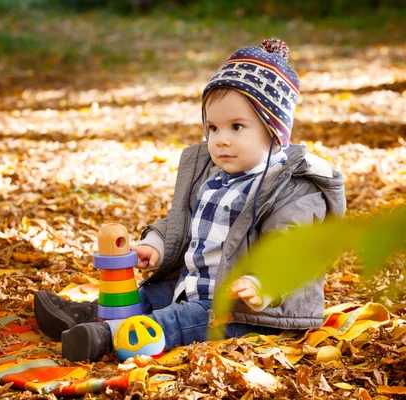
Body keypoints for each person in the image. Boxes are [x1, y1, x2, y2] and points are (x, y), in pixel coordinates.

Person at [34, 38, 346, 362]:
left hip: (247, 310)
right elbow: (182, 221)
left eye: (237, 127)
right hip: (195, 285)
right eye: (213, 127)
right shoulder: (217, 176)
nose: (220, 139)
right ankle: (91, 314)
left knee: (179, 320)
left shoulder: (293, 188)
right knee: (150, 295)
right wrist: (156, 244)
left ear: (274, 131)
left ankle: (108, 337)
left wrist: (261, 282)